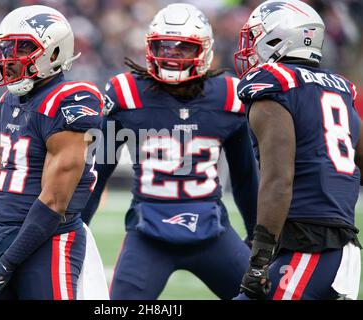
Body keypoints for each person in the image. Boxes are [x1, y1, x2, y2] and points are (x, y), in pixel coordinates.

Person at [82, 3, 259, 300]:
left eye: (183, 48)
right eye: (164, 47)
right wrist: (77, 228)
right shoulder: (126, 93)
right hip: (148, 236)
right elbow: (98, 172)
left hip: (212, 234)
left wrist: (256, 235)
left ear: (204, 50)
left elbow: (245, 177)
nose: (172, 55)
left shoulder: (229, 96)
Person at [0, 5, 108, 300]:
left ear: (53, 54)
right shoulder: (9, 101)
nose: (8, 59)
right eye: (6, 48)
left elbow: (53, 202)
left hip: (49, 241)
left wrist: (8, 262)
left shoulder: (69, 102)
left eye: (22, 48)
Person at [233, 0, 362, 300]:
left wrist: (259, 261)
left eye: (254, 38)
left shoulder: (276, 85)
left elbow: (279, 180)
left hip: (312, 245)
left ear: (278, 38)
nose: (250, 48)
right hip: (333, 244)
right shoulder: (339, 87)